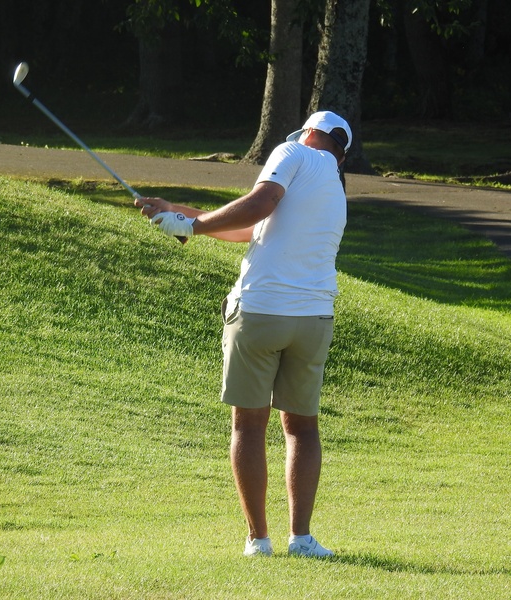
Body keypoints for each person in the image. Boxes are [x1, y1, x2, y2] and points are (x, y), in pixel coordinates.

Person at [136, 111, 351, 558]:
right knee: (302, 428)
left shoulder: (292, 152)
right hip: (313, 320)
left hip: (260, 312)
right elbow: (250, 230)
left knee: (249, 425)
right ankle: (302, 539)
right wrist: (179, 213)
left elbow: (259, 203)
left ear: (309, 134)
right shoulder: (335, 185)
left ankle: (258, 540)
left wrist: (191, 226)